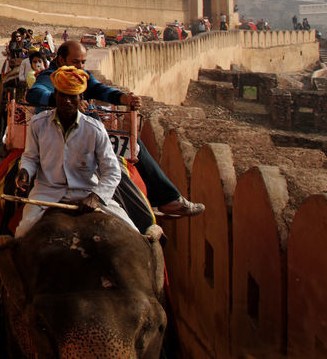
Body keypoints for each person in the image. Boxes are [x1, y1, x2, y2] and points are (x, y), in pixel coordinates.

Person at [28, 40, 204, 218]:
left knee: (134, 146)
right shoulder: (50, 77)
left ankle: (167, 199)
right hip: (55, 135)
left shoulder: (82, 77)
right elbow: (34, 93)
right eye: (75, 62)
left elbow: (100, 90)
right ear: (60, 60)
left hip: (87, 133)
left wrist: (124, 99)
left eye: (83, 62)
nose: (80, 66)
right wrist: (65, 100)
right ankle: (168, 200)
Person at [15, 67, 137, 236]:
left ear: (80, 98)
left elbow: (112, 171)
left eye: (72, 96)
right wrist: (25, 172)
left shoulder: (95, 129)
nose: (67, 101)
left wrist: (96, 197)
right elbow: (30, 157)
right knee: (22, 234)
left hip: (87, 193)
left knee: (133, 233)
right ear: (55, 95)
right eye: (62, 95)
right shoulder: (38, 124)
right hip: (46, 195)